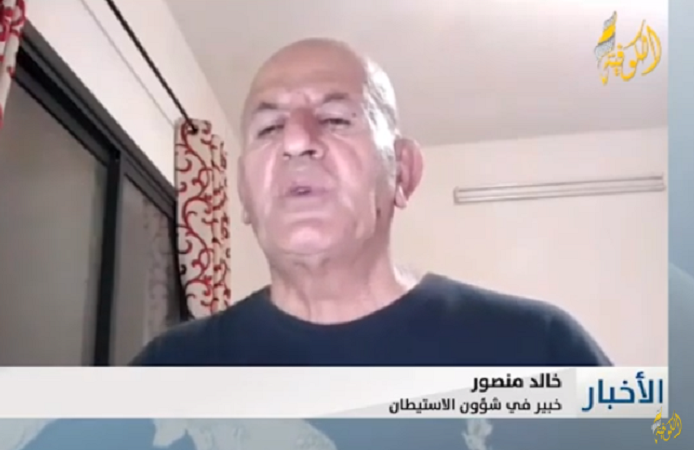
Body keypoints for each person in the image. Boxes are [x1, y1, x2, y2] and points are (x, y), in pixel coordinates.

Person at [132, 38, 611, 366]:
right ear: (242, 191)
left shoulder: (541, 351)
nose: (296, 141)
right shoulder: (166, 375)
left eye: (336, 119)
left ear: (403, 171)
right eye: (270, 127)